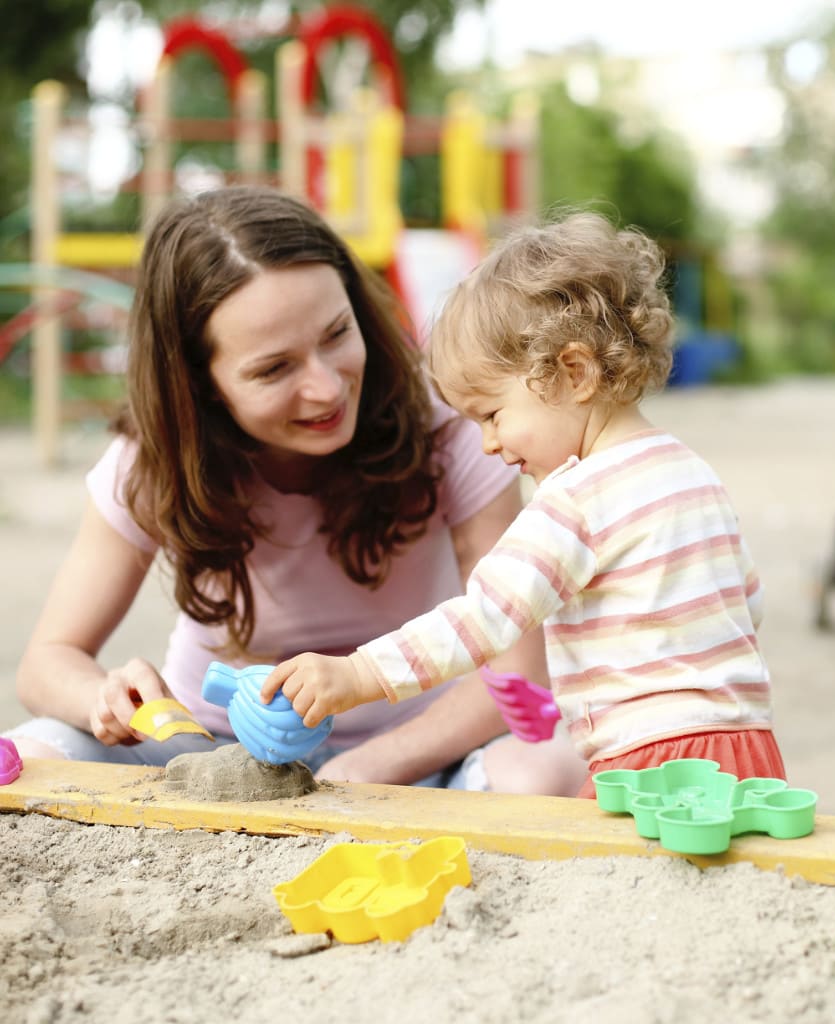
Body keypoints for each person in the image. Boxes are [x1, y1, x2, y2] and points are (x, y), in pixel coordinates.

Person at [8, 185, 586, 796]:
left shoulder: (453, 426)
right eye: (274, 369)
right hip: (206, 750)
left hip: (417, 750)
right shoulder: (150, 465)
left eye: (337, 334)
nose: (328, 389)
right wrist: (102, 696)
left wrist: (363, 769)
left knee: (546, 765)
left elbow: (519, 677)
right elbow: (49, 660)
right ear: (200, 385)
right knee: (35, 750)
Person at [260, 211, 787, 798]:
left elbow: (482, 620)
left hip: (648, 760)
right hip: (747, 748)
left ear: (575, 372)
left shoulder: (574, 499)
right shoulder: (692, 472)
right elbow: (746, 600)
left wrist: (358, 673)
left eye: (492, 414)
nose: (487, 443)